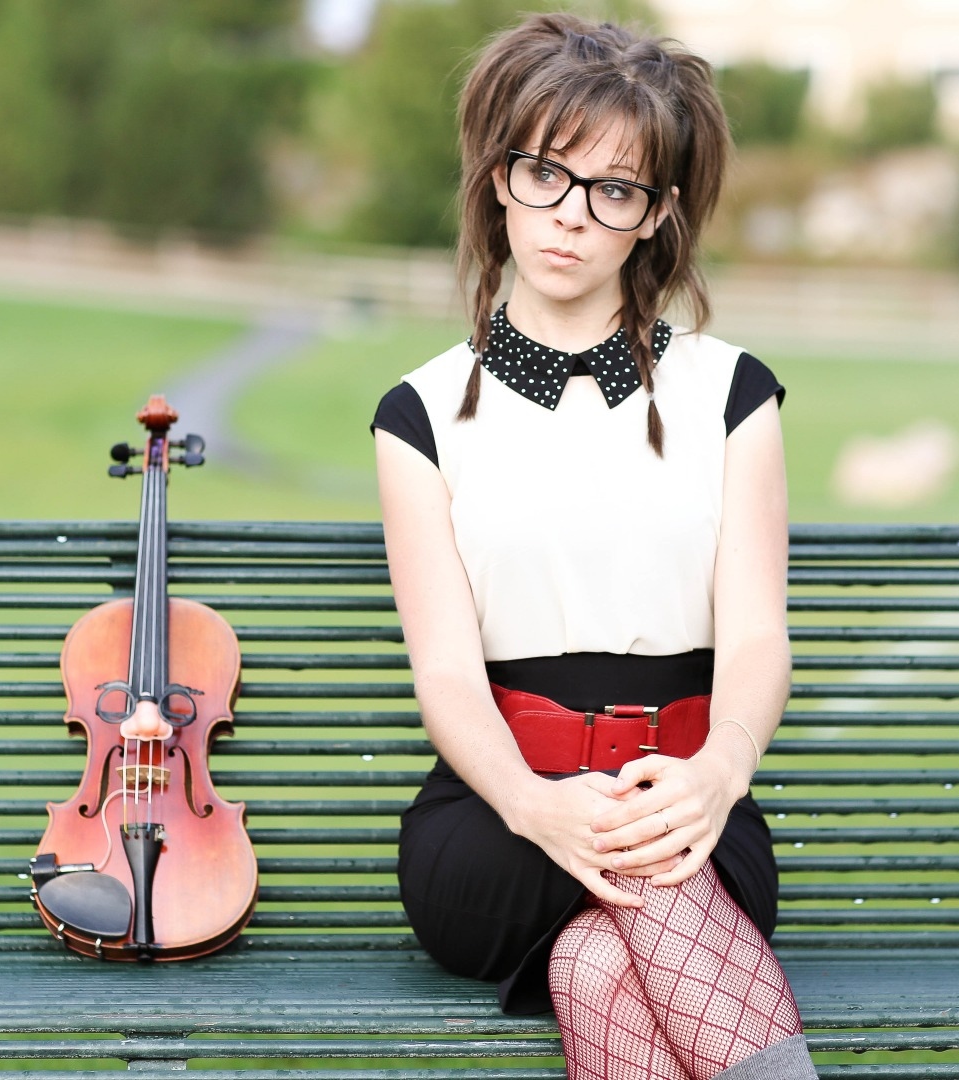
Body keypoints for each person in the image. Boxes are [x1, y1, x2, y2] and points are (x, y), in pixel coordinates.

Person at [365, 14, 820, 1080]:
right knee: (642, 893)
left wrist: (720, 772)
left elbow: (759, 638)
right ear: (498, 180)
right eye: (544, 173)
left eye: (613, 190)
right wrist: (538, 807)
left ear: (655, 214)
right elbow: (445, 674)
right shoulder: (420, 414)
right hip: (499, 820)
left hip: (692, 805)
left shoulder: (732, 394)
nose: (569, 214)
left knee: (602, 964)